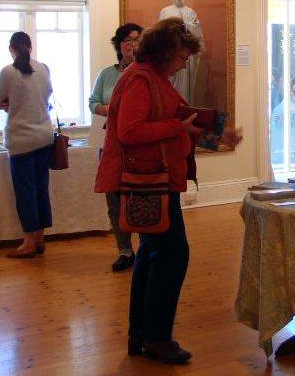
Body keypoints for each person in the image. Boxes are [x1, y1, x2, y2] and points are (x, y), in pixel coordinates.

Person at [94, 18, 240, 364]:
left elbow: (180, 119)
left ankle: (142, 334)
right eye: (181, 57)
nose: (184, 64)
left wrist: (216, 136)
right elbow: (130, 131)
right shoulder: (141, 79)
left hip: (154, 180)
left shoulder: (151, 77)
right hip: (147, 182)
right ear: (163, 51)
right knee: (172, 255)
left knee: (153, 254)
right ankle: (156, 337)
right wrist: (177, 126)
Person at [0, 32, 55, 259]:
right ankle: (40, 238)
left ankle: (28, 242)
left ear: (11, 48)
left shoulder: (8, 72)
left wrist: (8, 102)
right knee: (41, 189)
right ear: (30, 47)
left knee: (25, 191)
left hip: (21, 140)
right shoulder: (44, 68)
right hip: (44, 136)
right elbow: (47, 95)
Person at [88, 23, 143, 272]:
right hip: (111, 143)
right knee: (114, 200)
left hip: (137, 147)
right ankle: (125, 250)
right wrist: (114, 110)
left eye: (137, 40)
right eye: (128, 40)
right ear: (119, 45)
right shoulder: (107, 74)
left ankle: (146, 247)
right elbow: (93, 103)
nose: (132, 45)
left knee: (139, 199)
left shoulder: (146, 72)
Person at [159, 0, 203, 102]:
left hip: (186, 53)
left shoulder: (190, 12)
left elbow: (197, 31)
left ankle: (185, 105)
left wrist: (183, 23)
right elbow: (160, 31)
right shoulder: (165, 11)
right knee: (168, 81)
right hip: (170, 52)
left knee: (185, 85)